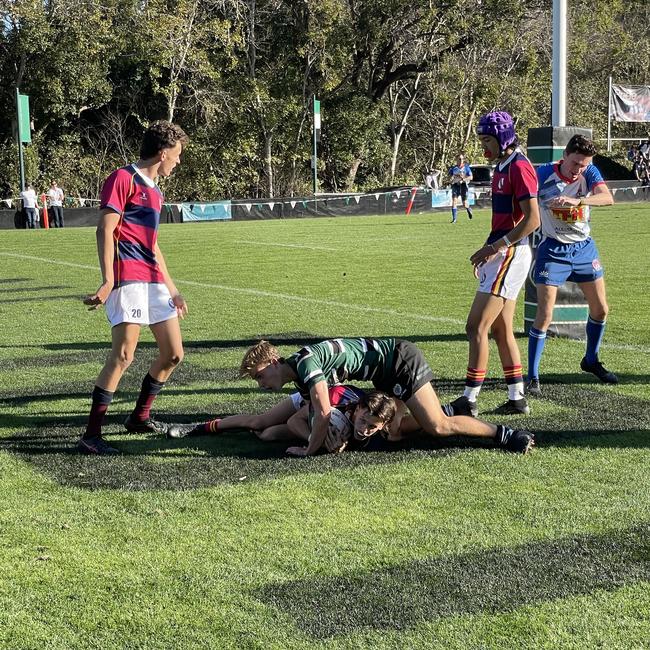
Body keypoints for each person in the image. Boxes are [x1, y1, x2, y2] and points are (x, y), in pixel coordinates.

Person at [78, 121, 189, 455]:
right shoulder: (123, 178)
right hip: (127, 277)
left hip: (153, 280)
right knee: (124, 355)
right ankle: (91, 435)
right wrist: (108, 279)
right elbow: (105, 229)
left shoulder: (156, 192)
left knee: (173, 354)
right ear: (163, 151)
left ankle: (139, 417)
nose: (178, 162)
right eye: (177, 155)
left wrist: (172, 288)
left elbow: (153, 245)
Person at [238, 338, 534, 456]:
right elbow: (315, 414)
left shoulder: (304, 365)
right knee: (392, 434)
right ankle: (452, 408)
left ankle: (505, 434)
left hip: (399, 362)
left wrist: (310, 449)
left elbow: (325, 412)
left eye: (260, 375)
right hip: (385, 373)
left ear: (275, 362)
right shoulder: (299, 370)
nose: (260, 382)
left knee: (439, 427)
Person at [450, 111, 540, 417]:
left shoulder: (519, 166)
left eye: (487, 140)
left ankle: (469, 399)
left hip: (512, 254)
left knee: (476, 326)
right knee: (502, 329)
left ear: (503, 138)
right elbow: (504, 220)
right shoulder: (502, 166)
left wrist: (495, 248)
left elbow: (533, 220)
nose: (484, 147)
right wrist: (487, 253)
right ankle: (517, 398)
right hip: (503, 254)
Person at [526, 135, 616, 395]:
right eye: (575, 163)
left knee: (601, 309)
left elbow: (607, 197)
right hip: (553, 250)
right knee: (544, 316)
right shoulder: (543, 174)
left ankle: (590, 360)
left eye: (583, 165)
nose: (578, 169)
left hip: (584, 248)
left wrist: (580, 200)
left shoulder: (589, 171)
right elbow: (523, 199)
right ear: (564, 156)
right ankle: (532, 377)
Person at [167, 387, 401, 454]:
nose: (366, 429)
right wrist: (316, 441)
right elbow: (294, 423)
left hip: (314, 418)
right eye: (364, 422)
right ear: (357, 409)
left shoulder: (380, 423)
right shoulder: (336, 402)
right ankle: (201, 427)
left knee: (267, 435)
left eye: (373, 427)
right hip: (306, 404)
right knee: (258, 423)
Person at [448, 154, 473, 223]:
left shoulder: (466, 167)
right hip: (455, 185)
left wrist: (463, 179)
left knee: (464, 203)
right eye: (459, 159)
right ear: (456, 159)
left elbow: (471, 177)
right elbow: (449, 177)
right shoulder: (453, 168)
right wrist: (451, 179)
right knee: (454, 201)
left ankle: (468, 209)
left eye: (462, 159)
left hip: (463, 185)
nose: (461, 160)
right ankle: (454, 219)